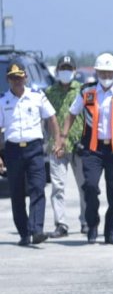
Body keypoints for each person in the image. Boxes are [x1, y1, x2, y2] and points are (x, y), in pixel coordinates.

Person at [60, 53, 113, 244]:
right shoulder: (87, 92)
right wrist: (63, 137)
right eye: (103, 72)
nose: (106, 76)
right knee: (90, 187)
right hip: (93, 149)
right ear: (97, 72)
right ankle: (92, 225)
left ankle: (111, 232)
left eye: (110, 73)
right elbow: (72, 114)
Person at [0, 63, 62, 246]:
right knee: (17, 193)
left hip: (34, 149)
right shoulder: (3, 101)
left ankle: (37, 230)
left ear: (25, 77)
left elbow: (51, 117)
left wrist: (57, 140)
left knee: (37, 188)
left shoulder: (37, 96)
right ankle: (24, 233)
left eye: (20, 77)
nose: (17, 81)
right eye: (13, 78)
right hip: (12, 151)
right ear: (8, 80)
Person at [45, 54, 87, 238]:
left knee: (85, 186)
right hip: (57, 147)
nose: (66, 72)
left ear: (75, 71)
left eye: (69, 69)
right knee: (58, 187)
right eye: (63, 68)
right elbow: (45, 120)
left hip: (79, 145)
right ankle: (60, 223)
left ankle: (86, 221)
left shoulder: (82, 90)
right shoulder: (49, 92)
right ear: (57, 71)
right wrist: (51, 141)